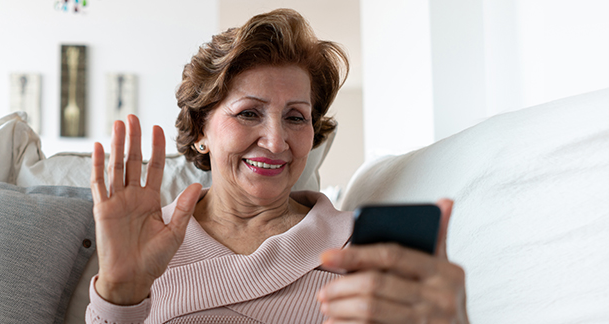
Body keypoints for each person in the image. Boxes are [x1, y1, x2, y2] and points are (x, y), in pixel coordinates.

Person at [87, 8, 469, 324]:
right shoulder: (144, 240)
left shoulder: (362, 244)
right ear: (201, 129)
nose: (275, 141)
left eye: (297, 117)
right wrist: (119, 294)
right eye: (249, 113)